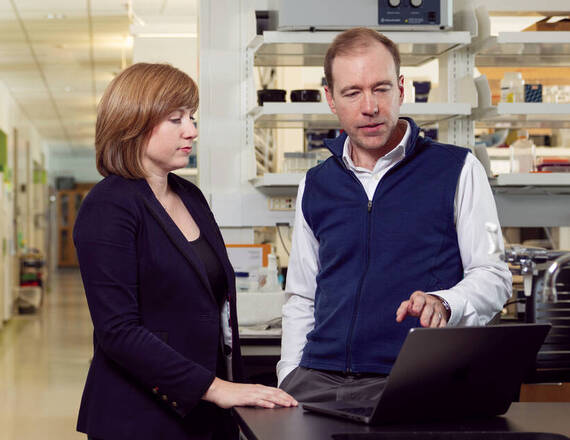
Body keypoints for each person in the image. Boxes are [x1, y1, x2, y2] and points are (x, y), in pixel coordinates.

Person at [277, 28, 512, 402]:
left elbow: (494, 275)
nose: (369, 106)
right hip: (315, 381)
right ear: (331, 99)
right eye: (352, 92)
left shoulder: (459, 170)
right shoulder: (316, 183)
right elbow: (302, 296)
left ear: (401, 89)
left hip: (410, 378)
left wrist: (446, 301)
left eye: (381, 88)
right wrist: (289, 374)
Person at [74, 63, 297, 440]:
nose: (191, 131)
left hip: (204, 412)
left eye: (191, 118)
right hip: (140, 418)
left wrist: (230, 386)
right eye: (175, 119)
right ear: (134, 122)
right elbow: (118, 331)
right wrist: (216, 387)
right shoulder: (108, 206)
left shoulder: (188, 195)